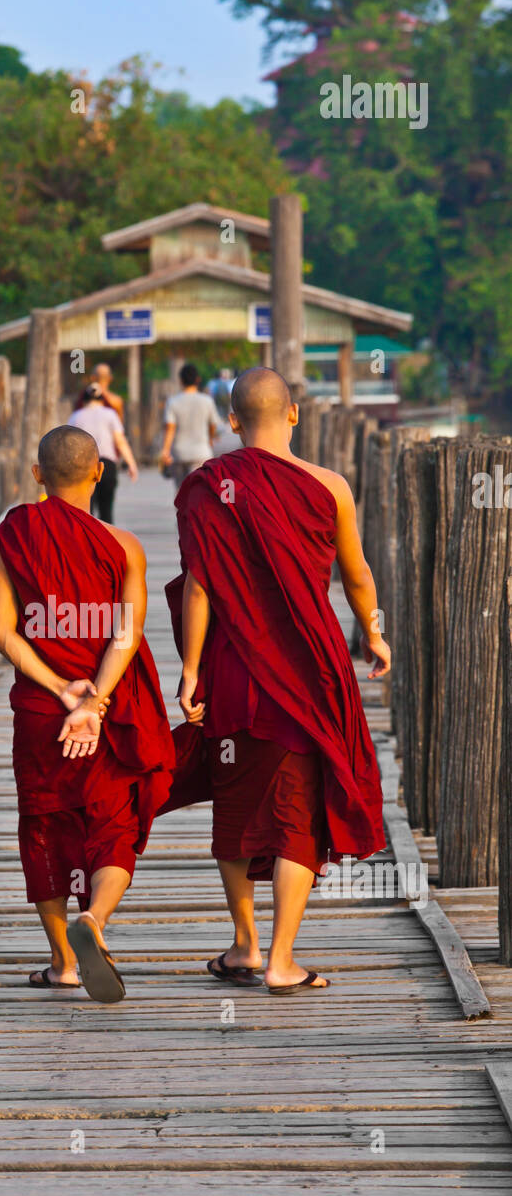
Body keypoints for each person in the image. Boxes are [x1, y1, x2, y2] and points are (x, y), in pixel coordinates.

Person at [164, 366, 389, 994]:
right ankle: (284, 959)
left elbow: (201, 585)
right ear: (294, 414)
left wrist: (189, 670)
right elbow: (358, 575)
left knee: (235, 802)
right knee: (297, 812)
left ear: (232, 421)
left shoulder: (209, 486)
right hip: (310, 668)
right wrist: (372, 632)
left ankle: (245, 944)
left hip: (235, 668)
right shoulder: (330, 487)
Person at [0, 425, 174, 1003]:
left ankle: (63, 961)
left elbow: (1, 633)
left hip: (43, 711)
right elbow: (127, 631)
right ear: (99, 473)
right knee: (111, 825)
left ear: (37, 475)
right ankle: (95, 919)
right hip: (106, 713)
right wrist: (94, 702)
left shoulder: (14, 536)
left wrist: (63, 691)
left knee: (43, 825)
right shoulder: (124, 545)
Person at [68, 382, 138, 524]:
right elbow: (120, 441)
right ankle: (107, 542)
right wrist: (131, 464)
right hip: (107, 466)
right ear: (101, 400)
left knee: (86, 511)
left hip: (83, 467)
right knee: (106, 510)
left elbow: (69, 445)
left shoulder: (76, 416)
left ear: (84, 400)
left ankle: (87, 542)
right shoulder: (110, 414)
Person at [159, 362, 225, 486]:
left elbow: (170, 428)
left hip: (179, 454)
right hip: (201, 453)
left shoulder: (172, 402)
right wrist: (210, 438)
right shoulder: (207, 401)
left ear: (180, 381)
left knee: (181, 493)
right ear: (198, 380)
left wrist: (165, 451)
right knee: (198, 493)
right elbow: (214, 425)